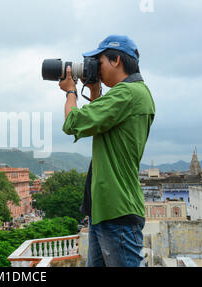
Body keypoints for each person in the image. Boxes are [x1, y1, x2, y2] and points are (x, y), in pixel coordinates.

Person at [59, 35, 155, 267]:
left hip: (116, 211)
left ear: (116, 60)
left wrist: (71, 91)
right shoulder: (130, 94)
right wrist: (94, 93)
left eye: (98, 62)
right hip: (105, 209)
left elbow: (73, 123)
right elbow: (101, 125)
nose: (95, 68)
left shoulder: (127, 93)